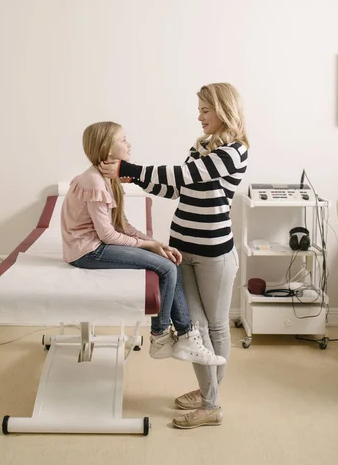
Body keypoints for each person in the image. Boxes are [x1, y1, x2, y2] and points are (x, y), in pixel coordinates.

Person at [99, 82, 249, 429]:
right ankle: (207, 392)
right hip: (183, 248)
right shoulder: (201, 147)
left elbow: (187, 174)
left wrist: (129, 169)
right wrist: (130, 178)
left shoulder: (235, 151)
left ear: (224, 110)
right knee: (195, 329)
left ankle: (211, 403)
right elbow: (175, 187)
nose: (199, 117)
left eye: (204, 110)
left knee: (215, 326)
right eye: (199, 110)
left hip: (215, 255)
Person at [61, 121, 226, 367]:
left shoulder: (108, 179)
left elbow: (122, 225)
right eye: (123, 140)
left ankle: (185, 336)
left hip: (95, 245)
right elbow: (107, 235)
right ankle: (160, 336)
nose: (130, 144)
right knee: (168, 268)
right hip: (86, 252)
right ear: (106, 148)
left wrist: (155, 243)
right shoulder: (93, 181)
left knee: (168, 261)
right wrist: (147, 246)